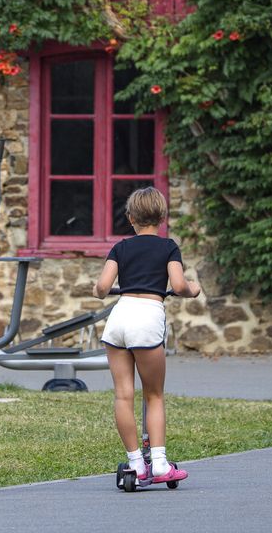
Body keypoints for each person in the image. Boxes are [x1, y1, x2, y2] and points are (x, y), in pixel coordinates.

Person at [93, 186, 201, 485]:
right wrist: (193, 288)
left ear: (130, 218)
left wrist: (98, 290)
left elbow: (103, 287)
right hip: (147, 318)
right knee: (153, 395)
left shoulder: (120, 248)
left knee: (123, 395)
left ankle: (136, 464)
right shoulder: (168, 247)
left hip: (120, 318)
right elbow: (178, 285)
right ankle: (161, 464)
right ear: (162, 217)